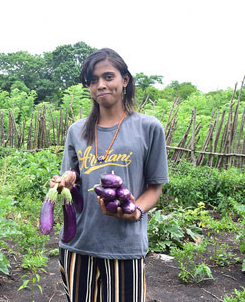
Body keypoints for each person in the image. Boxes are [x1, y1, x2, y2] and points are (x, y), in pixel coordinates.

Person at [50, 48, 169, 302]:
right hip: (79, 243)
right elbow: (72, 181)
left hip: (125, 245)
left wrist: (135, 210)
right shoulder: (77, 131)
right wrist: (66, 183)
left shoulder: (148, 128)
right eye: (93, 81)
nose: (100, 85)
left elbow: (154, 188)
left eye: (108, 77)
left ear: (125, 80)